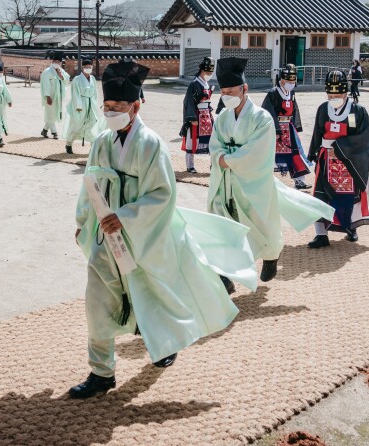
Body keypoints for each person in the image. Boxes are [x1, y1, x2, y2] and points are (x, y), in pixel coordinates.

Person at [69, 60, 257, 399]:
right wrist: (84, 222)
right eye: (107, 107)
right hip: (105, 237)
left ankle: (165, 342)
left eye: (117, 107)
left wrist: (125, 216)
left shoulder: (151, 143)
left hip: (144, 237)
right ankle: (101, 372)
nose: (110, 113)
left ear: (136, 106)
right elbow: (90, 186)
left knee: (152, 296)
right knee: (97, 302)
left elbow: (162, 194)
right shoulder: (100, 141)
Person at [207, 57, 334, 285]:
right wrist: (220, 158)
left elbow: (258, 150)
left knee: (260, 225)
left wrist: (229, 159)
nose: (226, 95)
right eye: (223, 91)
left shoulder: (261, 118)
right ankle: (225, 274)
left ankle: (271, 255)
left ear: (244, 89)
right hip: (225, 183)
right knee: (223, 226)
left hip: (252, 182)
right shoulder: (223, 117)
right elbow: (215, 144)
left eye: (231, 90)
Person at [306, 70, 369, 248]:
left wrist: (340, 148)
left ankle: (351, 229)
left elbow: (364, 138)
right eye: (330, 95)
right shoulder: (323, 109)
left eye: (338, 94)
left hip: (349, 162)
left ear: (345, 93)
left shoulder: (358, 111)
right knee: (320, 197)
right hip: (326, 160)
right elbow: (318, 132)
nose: (334, 97)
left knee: (349, 198)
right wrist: (314, 153)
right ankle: (321, 234)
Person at [261, 63, 311, 189]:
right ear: (282, 80)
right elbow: (267, 111)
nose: (291, 83)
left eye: (293, 81)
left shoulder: (291, 93)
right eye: (288, 80)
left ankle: (299, 180)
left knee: (295, 153)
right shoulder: (273, 93)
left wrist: (295, 126)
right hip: (275, 129)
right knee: (269, 154)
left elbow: (294, 110)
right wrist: (276, 129)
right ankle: (264, 180)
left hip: (289, 127)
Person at [180, 56, 216, 173]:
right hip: (196, 115)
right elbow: (188, 101)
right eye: (208, 71)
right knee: (192, 140)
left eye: (211, 72)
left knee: (212, 140)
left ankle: (213, 165)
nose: (209, 74)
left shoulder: (206, 83)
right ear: (202, 70)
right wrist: (191, 118)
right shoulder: (194, 84)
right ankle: (190, 166)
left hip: (206, 115)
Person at [64, 58, 103, 154]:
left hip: (91, 104)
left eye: (90, 67)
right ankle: (69, 143)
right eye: (86, 67)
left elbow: (95, 93)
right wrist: (78, 106)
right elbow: (75, 94)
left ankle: (92, 146)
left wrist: (95, 104)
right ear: (82, 68)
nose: (88, 69)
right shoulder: (77, 79)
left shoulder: (93, 79)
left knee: (92, 124)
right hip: (80, 105)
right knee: (77, 125)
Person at [40, 51, 69, 139]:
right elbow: (45, 85)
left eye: (59, 62)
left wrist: (61, 76)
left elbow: (67, 79)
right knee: (50, 113)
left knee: (53, 114)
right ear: (52, 62)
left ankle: (44, 130)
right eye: (55, 62)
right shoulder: (47, 72)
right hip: (50, 96)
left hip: (58, 97)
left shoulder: (61, 71)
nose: (57, 64)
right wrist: (47, 96)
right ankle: (54, 132)